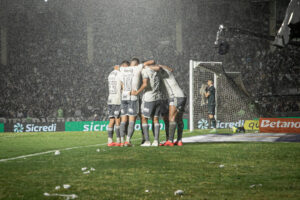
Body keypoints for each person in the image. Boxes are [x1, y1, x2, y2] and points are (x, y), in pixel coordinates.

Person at [120, 59, 154, 147]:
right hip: (134, 97)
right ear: (137, 64)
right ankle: (129, 140)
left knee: (124, 120)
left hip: (124, 96)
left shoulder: (122, 69)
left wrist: (125, 90)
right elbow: (151, 61)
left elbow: (121, 83)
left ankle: (121, 140)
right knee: (135, 119)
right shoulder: (137, 68)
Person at [131, 63, 161, 147]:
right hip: (158, 97)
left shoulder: (145, 71)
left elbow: (145, 84)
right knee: (155, 119)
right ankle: (156, 141)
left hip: (149, 98)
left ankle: (147, 141)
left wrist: (137, 92)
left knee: (144, 118)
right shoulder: (156, 71)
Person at [159, 65, 186, 146]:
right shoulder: (167, 72)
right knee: (178, 119)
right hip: (180, 96)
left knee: (172, 119)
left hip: (175, 96)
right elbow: (170, 69)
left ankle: (170, 141)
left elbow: (161, 68)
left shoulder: (163, 72)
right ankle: (179, 140)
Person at [106, 65, 122, 146]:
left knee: (111, 120)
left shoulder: (110, 74)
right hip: (117, 99)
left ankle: (110, 141)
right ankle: (118, 140)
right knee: (117, 120)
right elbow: (122, 86)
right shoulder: (120, 74)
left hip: (110, 99)